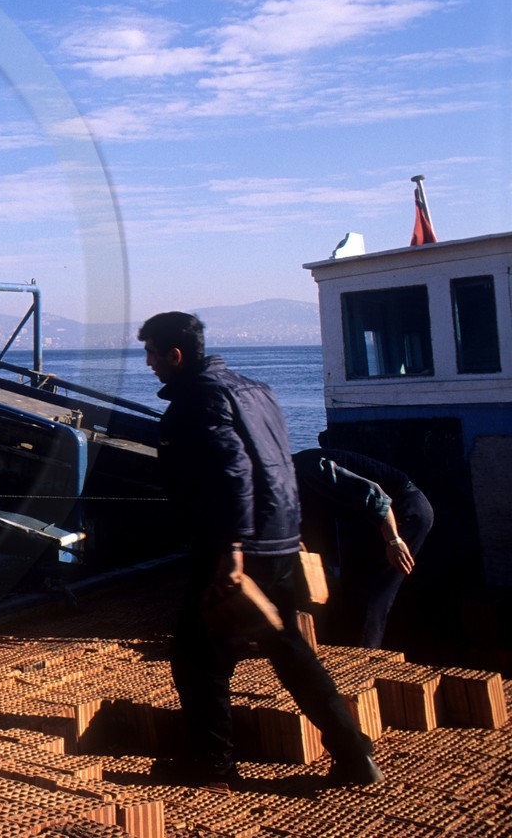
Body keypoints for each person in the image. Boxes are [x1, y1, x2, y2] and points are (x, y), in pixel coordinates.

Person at [139, 311, 381, 788]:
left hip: (235, 548)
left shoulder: (200, 398)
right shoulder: (258, 390)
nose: (148, 363)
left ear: (175, 355)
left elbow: (232, 470)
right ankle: (354, 755)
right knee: (290, 650)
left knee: (196, 657)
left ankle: (212, 765)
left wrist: (231, 548)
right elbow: (279, 466)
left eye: (151, 353)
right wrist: (292, 532)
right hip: (277, 538)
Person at [292, 446, 433, 649]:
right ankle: (355, 645)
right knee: (353, 589)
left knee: (371, 595)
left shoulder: (310, 469)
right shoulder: (289, 487)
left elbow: (378, 500)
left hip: (403, 511)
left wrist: (394, 541)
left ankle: (364, 655)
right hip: (372, 522)